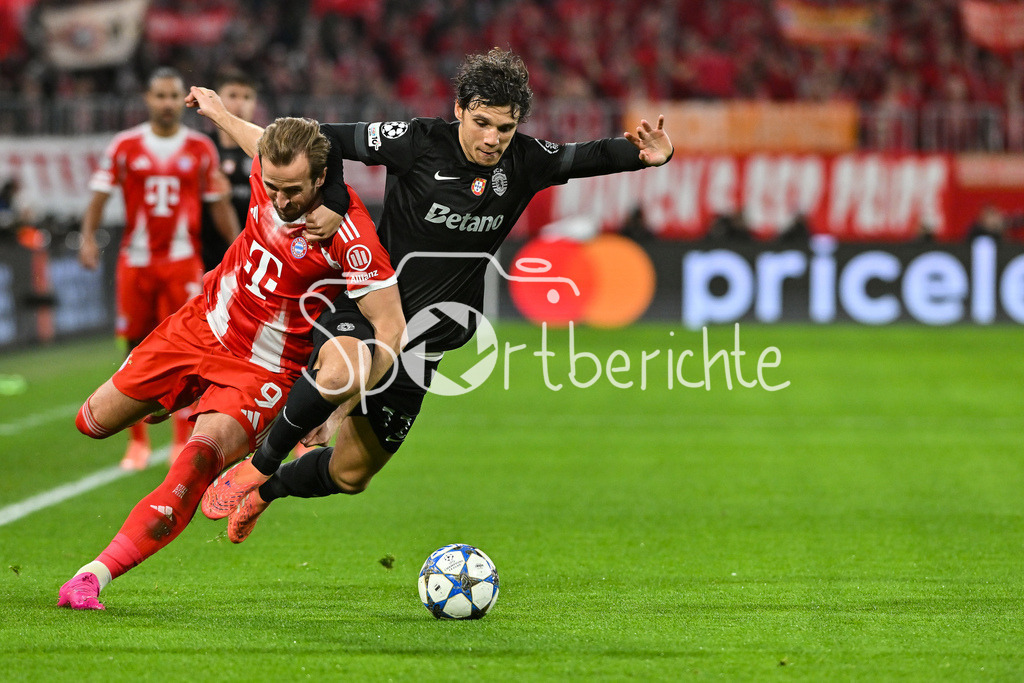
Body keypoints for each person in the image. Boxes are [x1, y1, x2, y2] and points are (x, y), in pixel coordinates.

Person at [196, 48, 674, 544]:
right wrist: (333, 200)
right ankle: (259, 463)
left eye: (505, 128)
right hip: (371, 308)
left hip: (427, 343)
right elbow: (321, 141)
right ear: (460, 110)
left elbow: (587, 156)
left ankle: (267, 489)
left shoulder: (525, 161)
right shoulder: (417, 141)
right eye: (482, 122)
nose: (492, 139)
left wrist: (645, 156)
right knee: (341, 372)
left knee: (350, 476)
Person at [57, 113, 405, 610]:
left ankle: (94, 575)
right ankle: (178, 397)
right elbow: (257, 140)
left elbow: (390, 327)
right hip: (199, 327)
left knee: (197, 459)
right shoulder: (271, 169)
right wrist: (218, 111)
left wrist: (340, 408)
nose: (281, 201)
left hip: (262, 372)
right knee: (91, 421)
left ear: (322, 179)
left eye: (293, 191)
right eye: (273, 187)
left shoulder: (352, 238)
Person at [79, 67, 241, 470]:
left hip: (183, 262)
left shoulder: (201, 147)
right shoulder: (125, 145)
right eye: (160, 96)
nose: (167, 104)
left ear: (179, 102)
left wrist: (240, 246)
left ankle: (180, 440)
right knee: (134, 345)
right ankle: (136, 441)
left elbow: (218, 203)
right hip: (135, 261)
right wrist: (87, 237)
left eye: (173, 97)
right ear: (148, 100)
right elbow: (99, 196)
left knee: (186, 349)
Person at [200, 68, 259, 272]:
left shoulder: (267, 151)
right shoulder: (202, 149)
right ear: (218, 101)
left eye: (247, 97)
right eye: (232, 95)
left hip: (254, 260)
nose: (240, 103)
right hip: (205, 259)